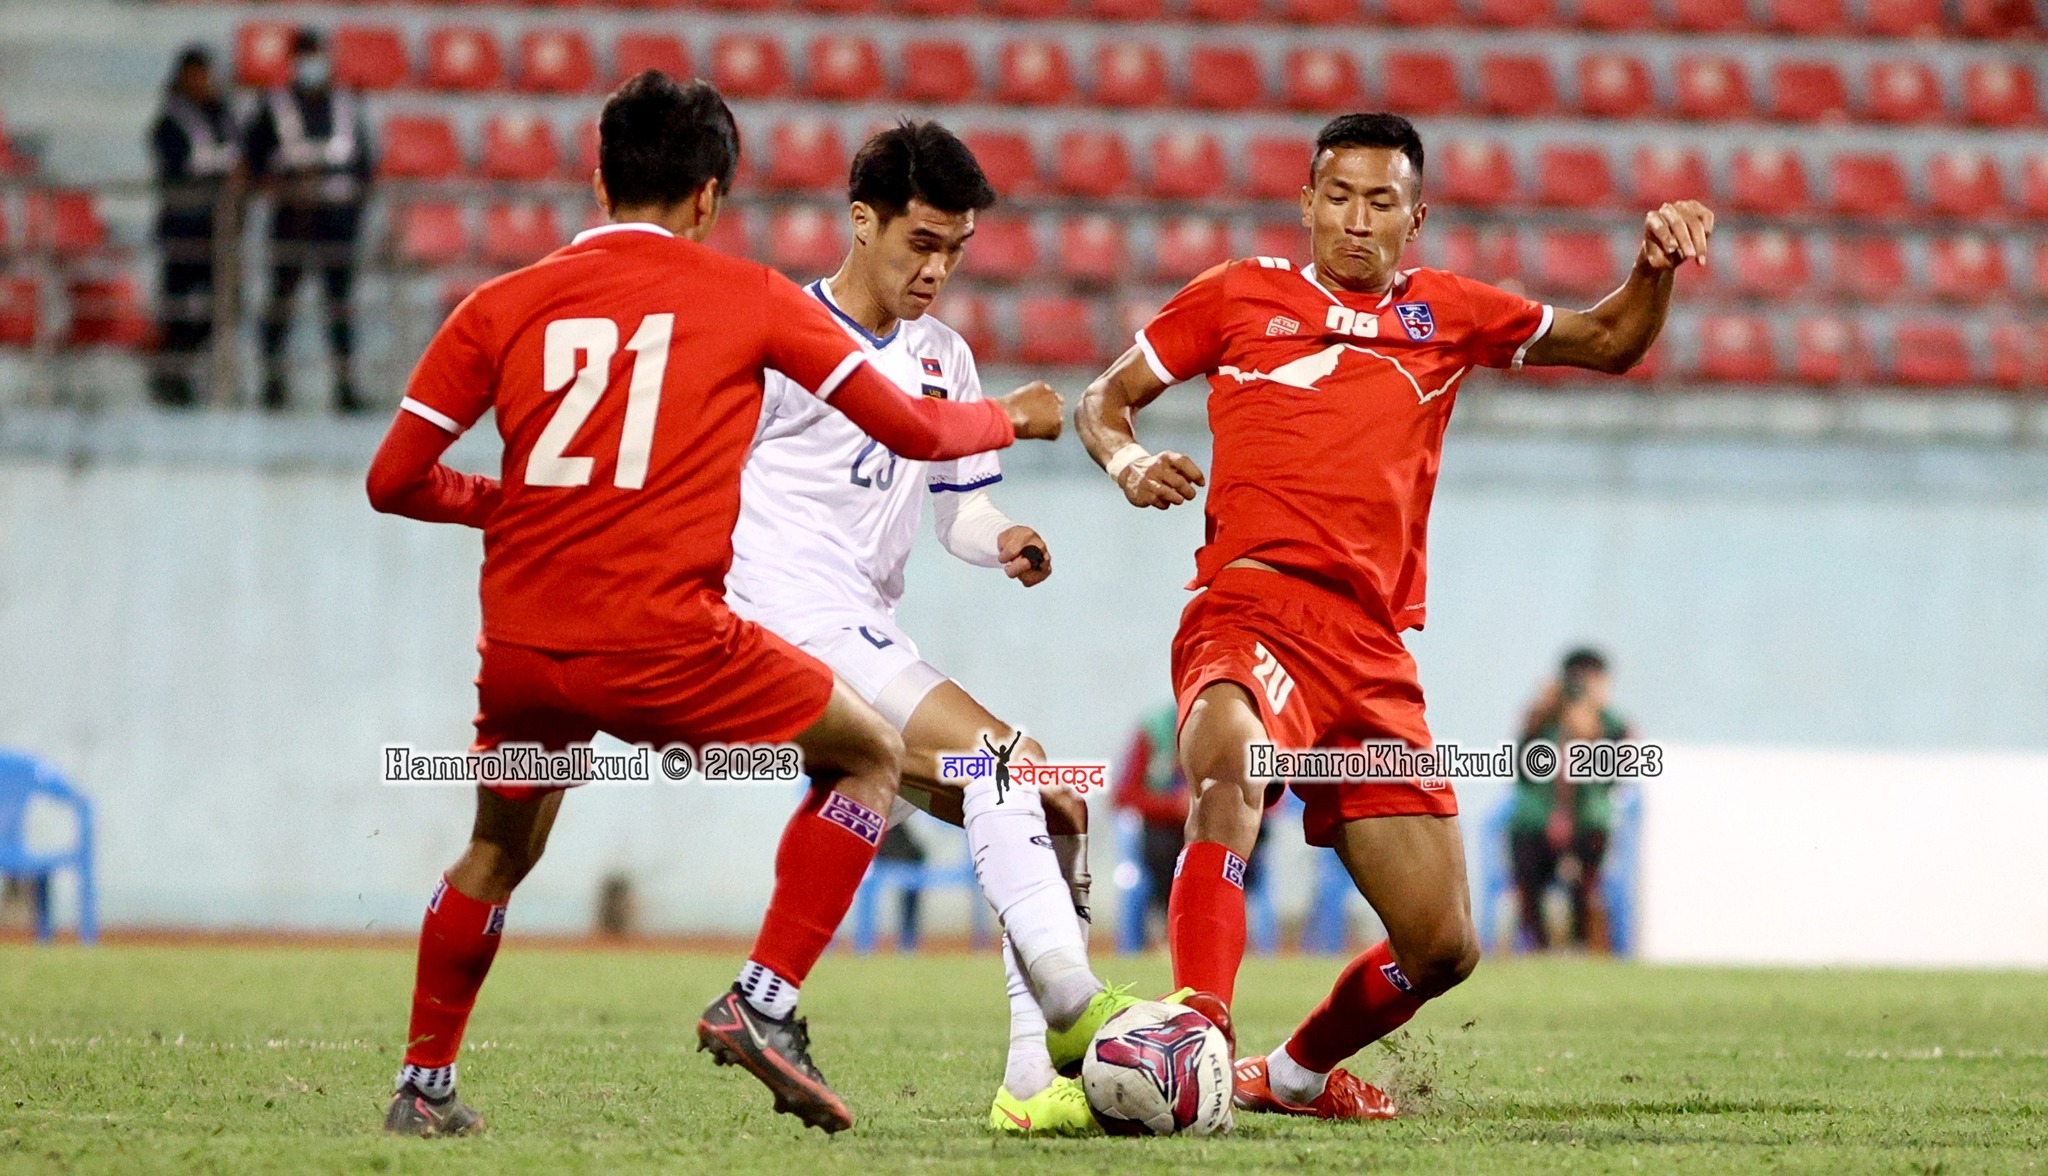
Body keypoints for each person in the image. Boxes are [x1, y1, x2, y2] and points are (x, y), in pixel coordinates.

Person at [366, 74, 1061, 1139]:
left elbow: (395, 480)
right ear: (708, 196)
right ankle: (763, 1001)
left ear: (598, 180)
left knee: (496, 855)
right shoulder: (748, 297)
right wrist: (1011, 417)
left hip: (525, 645)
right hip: (665, 638)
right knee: (868, 754)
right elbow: (919, 433)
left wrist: (507, 505)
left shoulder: (498, 305)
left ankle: (423, 1086)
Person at [1075, 111, 1713, 1120]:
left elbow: (1608, 341)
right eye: (1338, 197)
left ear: (1415, 219)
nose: (1356, 220)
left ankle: (1291, 1076)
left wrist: (1652, 267)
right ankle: (1199, 1035)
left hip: (1370, 649)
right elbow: (1102, 400)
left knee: (1442, 945)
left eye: (1381, 202)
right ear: (1306, 204)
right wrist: (1129, 461)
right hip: (1250, 606)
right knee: (1232, 764)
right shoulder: (1237, 296)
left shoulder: (1447, 313)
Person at [724, 121, 1126, 1138]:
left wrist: (1004, 539)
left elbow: (958, 513)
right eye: (920, 244)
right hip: (785, 615)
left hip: (863, 627)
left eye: (955, 249)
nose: (937, 269)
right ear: (861, 222)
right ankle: (1077, 1013)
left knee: (1048, 800)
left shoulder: (945, 356)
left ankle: (1030, 1078)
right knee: (1011, 764)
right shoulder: (783, 340)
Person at [243, 28, 372, 413]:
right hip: (292, 217)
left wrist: (356, 210)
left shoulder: (346, 105)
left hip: (338, 219)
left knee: (340, 305)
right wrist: (280, 185)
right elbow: (252, 163)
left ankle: (346, 386)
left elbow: (364, 164)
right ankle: (272, 382)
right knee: (281, 301)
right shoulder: (273, 105)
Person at [1508, 648, 1632, 952]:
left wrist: (1593, 733)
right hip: (1537, 822)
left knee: (1585, 884)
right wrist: (1540, 713)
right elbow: (1520, 766)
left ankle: (1581, 946)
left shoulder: (1610, 722)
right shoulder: (1544, 719)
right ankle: (1538, 947)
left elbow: (1619, 770)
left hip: (1588, 821)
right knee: (1529, 876)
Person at [147, 45, 239, 408]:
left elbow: (240, 158)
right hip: (182, 228)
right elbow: (179, 167)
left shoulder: (222, 115)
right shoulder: (169, 120)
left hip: (217, 230)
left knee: (224, 305)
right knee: (177, 306)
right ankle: (170, 373)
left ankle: (178, 365)